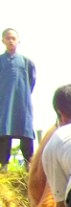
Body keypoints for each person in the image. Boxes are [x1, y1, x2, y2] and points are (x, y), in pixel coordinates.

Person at [0, 28, 35, 172]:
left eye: (13, 38)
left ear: (18, 41)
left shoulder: (27, 62)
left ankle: (29, 165)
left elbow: (32, 81)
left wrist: (23, 94)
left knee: (26, 133)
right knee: (3, 132)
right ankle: (4, 166)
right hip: (4, 104)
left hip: (22, 104)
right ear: (3, 41)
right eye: (8, 38)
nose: (11, 40)